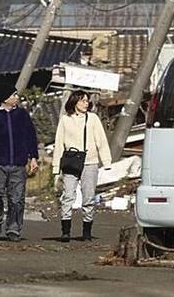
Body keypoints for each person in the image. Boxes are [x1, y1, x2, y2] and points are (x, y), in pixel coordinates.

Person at [0, 82, 39, 242]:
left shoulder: (22, 115)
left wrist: (34, 157)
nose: (16, 97)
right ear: (4, 99)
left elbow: (31, 136)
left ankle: (13, 229)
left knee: (17, 199)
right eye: (13, 95)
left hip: (18, 163)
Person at [53, 90, 112, 242]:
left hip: (90, 161)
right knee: (68, 196)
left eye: (87, 101)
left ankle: (87, 230)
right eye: (82, 100)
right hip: (71, 161)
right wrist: (56, 167)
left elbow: (101, 140)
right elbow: (59, 143)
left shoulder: (92, 119)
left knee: (88, 197)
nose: (86, 103)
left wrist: (106, 162)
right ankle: (65, 231)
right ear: (75, 102)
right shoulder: (65, 120)